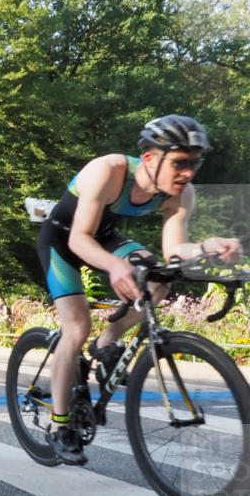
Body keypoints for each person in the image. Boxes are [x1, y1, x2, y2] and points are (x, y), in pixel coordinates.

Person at [37, 114, 243, 465]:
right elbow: (79, 238)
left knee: (158, 277)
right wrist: (116, 266)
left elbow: (175, 251)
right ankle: (60, 425)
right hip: (64, 239)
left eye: (195, 163)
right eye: (180, 163)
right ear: (150, 159)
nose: (189, 173)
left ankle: (106, 344)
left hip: (104, 237)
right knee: (76, 327)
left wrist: (208, 246)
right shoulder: (109, 170)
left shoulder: (182, 194)